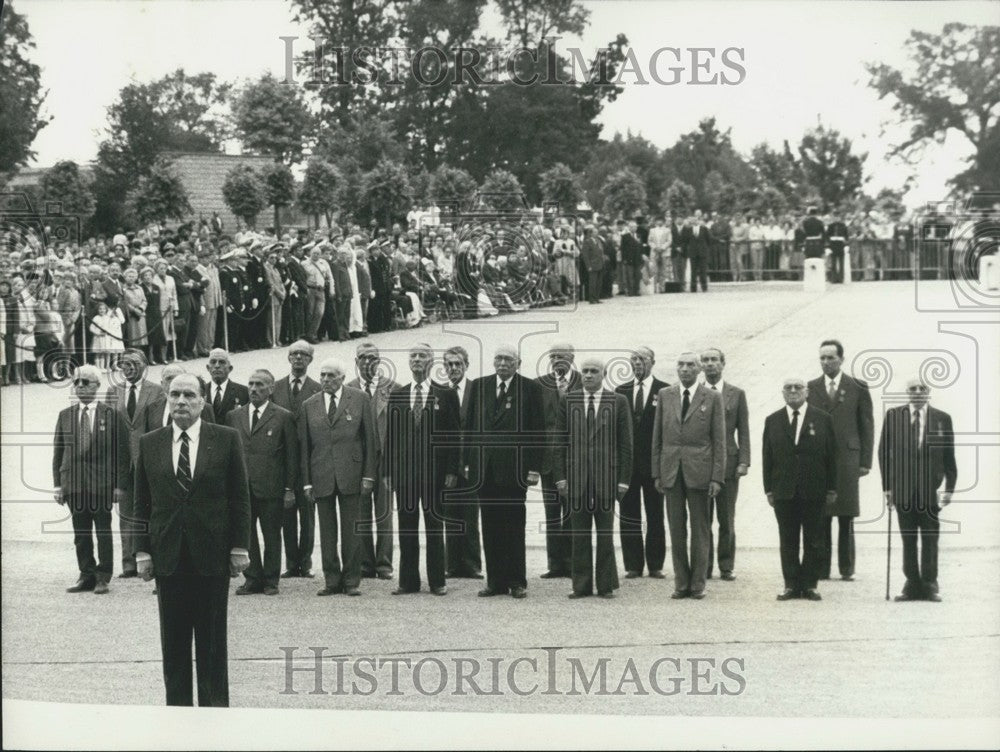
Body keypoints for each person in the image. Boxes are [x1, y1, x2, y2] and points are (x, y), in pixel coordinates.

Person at [134, 373, 251, 706]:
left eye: (189, 395)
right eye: (174, 395)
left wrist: (240, 546)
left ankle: (215, 716)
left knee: (212, 643)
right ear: (167, 400)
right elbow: (140, 502)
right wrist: (141, 550)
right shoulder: (151, 442)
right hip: (168, 555)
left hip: (212, 556)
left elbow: (239, 498)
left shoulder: (226, 439)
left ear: (202, 401)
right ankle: (178, 716)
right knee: (173, 645)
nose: (181, 401)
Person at [466, 345, 543, 598]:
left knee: (513, 526)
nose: (502, 363)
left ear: (518, 363)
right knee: (489, 525)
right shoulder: (479, 386)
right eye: (498, 358)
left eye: (508, 359)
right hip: (485, 469)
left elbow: (537, 431)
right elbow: (468, 427)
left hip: (514, 470)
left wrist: (533, 468)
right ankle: (495, 581)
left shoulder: (530, 388)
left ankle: (517, 581)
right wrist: (467, 462)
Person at [386, 344, 460, 595]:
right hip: (405, 475)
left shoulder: (446, 394)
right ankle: (408, 582)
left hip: (436, 474)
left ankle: (437, 581)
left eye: (422, 356)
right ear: (409, 362)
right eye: (413, 356)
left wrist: (452, 470)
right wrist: (387, 471)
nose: (417, 360)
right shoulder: (398, 395)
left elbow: (454, 435)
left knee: (434, 529)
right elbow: (391, 436)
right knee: (407, 529)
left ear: (431, 362)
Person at [555, 357, 632, 599]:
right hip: (576, 479)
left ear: (604, 374)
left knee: (606, 534)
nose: (588, 375)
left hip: (606, 479)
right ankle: (581, 585)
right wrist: (560, 478)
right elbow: (559, 442)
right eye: (585, 371)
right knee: (579, 534)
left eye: (594, 371)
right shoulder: (569, 400)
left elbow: (626, 444)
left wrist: (623, 481)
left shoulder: (618, 401)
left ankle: (606, 584)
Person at [299, 358, 377, 596]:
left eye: (331, 376)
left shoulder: (360, 399)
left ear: (342, 378)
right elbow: (305, 447)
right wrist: (307, 481)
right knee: (327, 531)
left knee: (351, 530)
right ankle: (331, 580)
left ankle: (352, 580)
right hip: (321, 474)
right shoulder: (309, 404)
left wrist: (368, 476)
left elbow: (371, 441)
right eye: (322, 375)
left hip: (351, 474)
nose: (325, 380)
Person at [651, 352, 726, 599]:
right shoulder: (665, 395)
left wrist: (717, 477)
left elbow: (719, 441)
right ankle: (681, 583)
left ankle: (698, 584)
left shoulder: (712, 397)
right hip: (671, 470)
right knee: (676, 528)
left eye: (690, 365)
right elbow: (657, 438)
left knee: (700, 529)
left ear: (699, 370)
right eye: (680, 365)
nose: (684, 369)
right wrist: (657, 472)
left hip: (700, 471)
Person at [52, 365, 130, 594]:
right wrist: (58, 484)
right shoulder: (65, 416)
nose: (79, 386)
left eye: (85, 382)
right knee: (81, 532)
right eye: (76, 382)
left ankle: (103, 576)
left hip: (102, 485)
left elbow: (122, 453)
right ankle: (86, 573)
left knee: (103, 531)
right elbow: (58, 452)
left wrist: (119, 485)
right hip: (74, 484)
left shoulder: (111, 415)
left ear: (97, 385)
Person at [878, 379, 957, 602]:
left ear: (928, 392)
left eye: (922, 388)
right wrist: (887, 488)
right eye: (912, 388)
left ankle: (930, 584)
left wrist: (950, 488)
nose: (917, 392)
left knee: (930, 538)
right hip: (902, 490)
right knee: (908, 538)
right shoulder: (894, 416)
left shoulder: (942, 418)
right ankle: (911, 584)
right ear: (907, 392)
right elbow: (883, 452)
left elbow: (949, 455)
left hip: (929, 490)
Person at [762, 377, 838, 601]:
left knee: (814, 539)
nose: (793, 391)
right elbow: (767, 457)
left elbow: (832, 456)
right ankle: (791, 585)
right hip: (783, 489)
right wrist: (769, 489)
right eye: (788, 388)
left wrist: (832, 488)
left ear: (807, 392)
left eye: (798, 388)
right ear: (783, 393)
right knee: (788, 539)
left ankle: (810, 585)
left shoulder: (823, 419)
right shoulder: (773, 420)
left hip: (814, 489)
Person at [225, 369, 298, 596]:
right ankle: (252, 577)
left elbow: (291, 456)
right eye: (251, 384)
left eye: (260, 385)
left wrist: (289, 489)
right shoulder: (234, 416)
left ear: (271, 389)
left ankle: (271, 579)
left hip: (271, 487)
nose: (254, 389)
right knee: (247, 535)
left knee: (271, 534)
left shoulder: (283, 416)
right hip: (242, 488)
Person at [807, 339, 873, 582]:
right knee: (821, 514)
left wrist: (865, 460)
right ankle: (822, 569)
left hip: (848, 459)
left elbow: (867, 425)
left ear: (841, 359)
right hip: (820, 461)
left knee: (846, 515)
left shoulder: (857, 386)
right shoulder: (811, 387)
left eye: (831, 358)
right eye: (822, 358)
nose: (826, 362)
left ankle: (847, 569)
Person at [104, 349, 164, 577]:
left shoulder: (156, 391)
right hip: (122, 460)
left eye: (133, 363)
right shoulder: (113, 391)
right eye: (124, 364)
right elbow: (108, 427)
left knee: (151, 510)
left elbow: (158, 425)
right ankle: (129, 563)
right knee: (127, 512)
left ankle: (152, 560)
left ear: (144, 365)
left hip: (148, 458)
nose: (128, 368)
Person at [347, 341, 400, 580]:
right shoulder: (347, 389)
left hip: (384, 460)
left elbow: (401, 430)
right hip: (357, 461)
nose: (367, 362)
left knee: (385, 513)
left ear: (380, 362)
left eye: (372, 358)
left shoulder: (395, 389)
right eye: (362, 358)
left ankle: (384, 564)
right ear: (356, 362)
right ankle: (365, 563)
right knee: (361, 513)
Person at [614, 346, 668, 579]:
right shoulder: (621, 390)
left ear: (652, 362)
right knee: (628, 514)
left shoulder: (664, 390)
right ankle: (633, 564)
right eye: (633, 359)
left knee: (655, 514)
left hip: (653, 464)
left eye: (642, 359)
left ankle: (655, 564)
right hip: (627, 465)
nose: (637, 363)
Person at [271, 340, 322, 578]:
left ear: (310, 360)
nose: (298, 358)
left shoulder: (318, 388)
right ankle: (291, 562)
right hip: (282, 460)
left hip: (308, 460)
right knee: (286, 514)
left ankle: (306, 562)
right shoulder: (276, 387)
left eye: (303, 354)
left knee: (308, 514)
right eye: (294, 354)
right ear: (288, 358)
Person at [701, 347, 750, 581]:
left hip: (729, 464)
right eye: (705, 360)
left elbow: (744, 430)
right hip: (701, 464)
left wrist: (744, 461)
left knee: (726, 517)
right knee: (703, 518)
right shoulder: (696, 392)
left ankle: (726, 565)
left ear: (723, 363)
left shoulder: (736, 394)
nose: (710, 364)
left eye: (714, 360)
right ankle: (705, 565)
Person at [535, 343, 583, 578]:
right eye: (552, 356)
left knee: (573, 512)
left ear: (572, 358)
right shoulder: (539, 384)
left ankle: (573, 563)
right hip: (547, 461)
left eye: (561, 356)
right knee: (552, 513)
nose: (556, 360)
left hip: (575, 460)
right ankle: (555, 565)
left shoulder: (585, 382)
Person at [440, 345, 483, 579]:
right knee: (450, 514)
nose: (453, 368)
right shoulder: (439, 392)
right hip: (447, 464)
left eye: (458, 364)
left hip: (471, 461)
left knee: (470, 514)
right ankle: (452, 564)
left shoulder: (476, 390)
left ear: (466, 365)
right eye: (449, 364)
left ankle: (472, 564)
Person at [205, 348, 249, 421]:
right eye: (213, 362)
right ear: (208, 368)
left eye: (222, 362)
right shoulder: (200, 391)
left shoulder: (243, 392)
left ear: (230, 368)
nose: (217, 366)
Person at [152, 259, 179, 362]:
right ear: (156, 269)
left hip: (170, 308)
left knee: (169, 332)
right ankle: (159, 357)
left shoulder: (171, 278)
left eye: (164, 268)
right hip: (159, 309)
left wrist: (176, 308)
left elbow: (174, 294)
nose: (163, 270)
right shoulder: (154, 279)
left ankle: (167, 355)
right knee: (161, 333)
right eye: (161, 268)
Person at [579, 226, 605, 304]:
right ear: (591, 234)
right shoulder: (587, 242)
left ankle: (597, 297)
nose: (596, 234)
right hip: (592, 265)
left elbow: (601, 252)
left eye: (597, 232)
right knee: (592, 282)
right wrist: (588, 266)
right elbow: (585, 255)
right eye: (594, 232)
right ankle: (591, 298)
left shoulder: (599, 241)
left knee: (599, 282)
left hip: (600, 264)